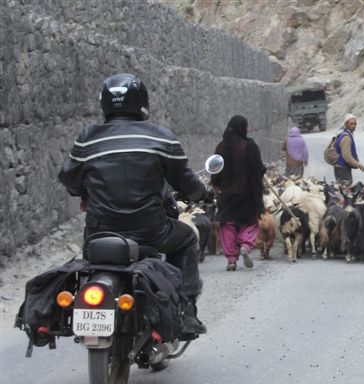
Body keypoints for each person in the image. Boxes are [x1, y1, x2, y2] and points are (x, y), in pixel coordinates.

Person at [58, 73, 212, 338]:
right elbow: (185, 181)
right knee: (186, 239)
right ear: (142, 102)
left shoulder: (87, 139)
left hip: (100, 233)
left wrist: (82, 191)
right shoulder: (163, 139)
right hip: (151, 231)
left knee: (90, 258)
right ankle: (186, 313)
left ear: (105, 103)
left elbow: (69, 178)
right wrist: (202, 194)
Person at [211, 115, 266, 271]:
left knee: (227, 225)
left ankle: (231, 260)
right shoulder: (250, 146)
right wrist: (262, 171)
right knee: (249, 222)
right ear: (242, 127)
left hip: (226, 195)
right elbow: (259, 169)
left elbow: (215, 172)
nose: (248, 129)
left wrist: (216, 188)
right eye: (246, 126)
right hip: (248, 194)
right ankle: (245, 246)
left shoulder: (220, 147)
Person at [333, 113, 364, 184]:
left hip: (340, 168)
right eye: (351, 124)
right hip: (342, 169)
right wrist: (358, 165)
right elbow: (347, 157)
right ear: (346, 124)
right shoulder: (346, 138)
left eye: (355, 124)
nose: (354, 126)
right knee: (346, 190)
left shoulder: (344, 134)